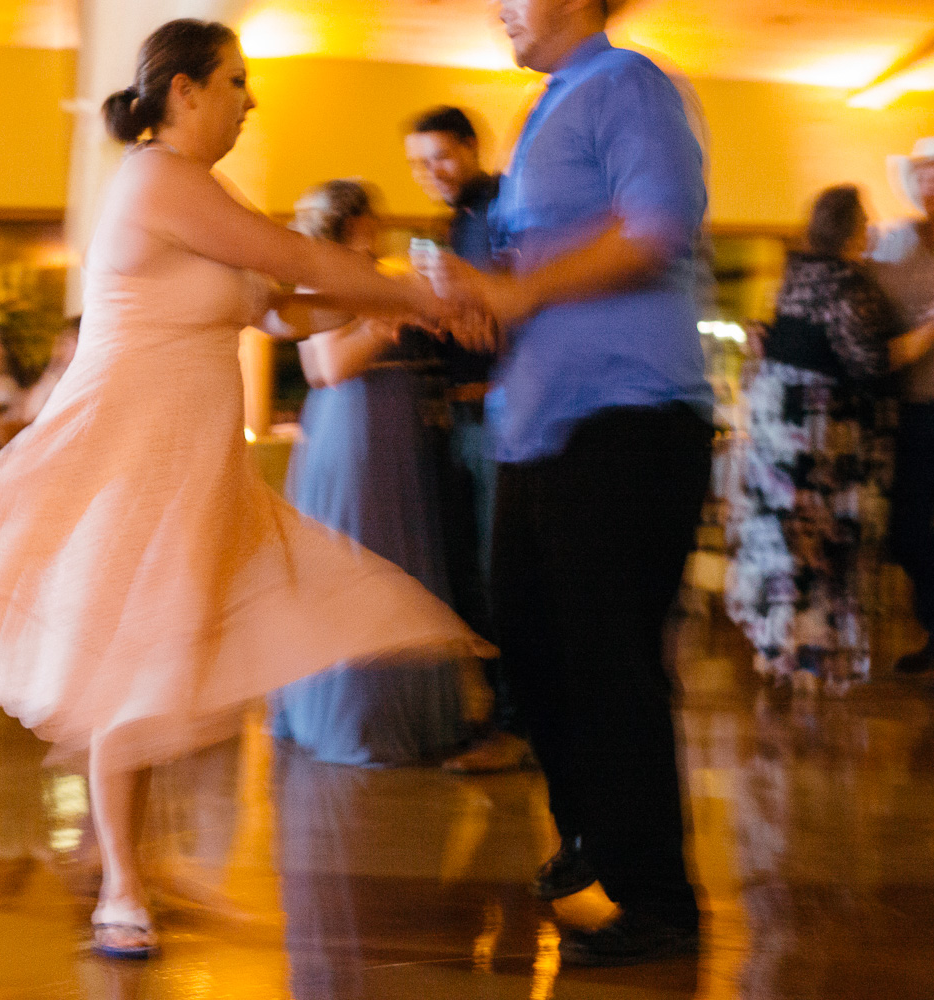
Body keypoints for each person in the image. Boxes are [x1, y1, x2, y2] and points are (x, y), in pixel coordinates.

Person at [0, 18, 490, 962]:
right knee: (128, 660)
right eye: (236, 82)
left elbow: (286, 308)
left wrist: (399, 295)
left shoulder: (207, 193)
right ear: (184, 92)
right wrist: (421, 295)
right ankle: (123, 884)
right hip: (128, 461)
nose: (250, 101)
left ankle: (124, 860)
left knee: (162, 657)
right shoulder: (154, 178)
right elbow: (295, 263)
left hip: (192, 467)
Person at [433, 0, 714, 966]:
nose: (496, 8)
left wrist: (519, 288)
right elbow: (539, 261)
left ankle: (656, 899)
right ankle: (591, 838)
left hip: (627, 416)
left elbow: (655, 231)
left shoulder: (626, 84)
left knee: (607, 662)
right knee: (533, 650)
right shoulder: (542, 107)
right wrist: (488, 304)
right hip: (534, 427)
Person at [270, 180, 470, 767]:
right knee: (362, 556)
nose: (379, 228)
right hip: (355, 426)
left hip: (392, 426)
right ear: (350, 223)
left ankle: (405, 708)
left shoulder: (370, 272)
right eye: (370, 219)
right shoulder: (326, 277)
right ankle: (361, 715)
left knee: (400, 560)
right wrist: (389, 317)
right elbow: (328, 365)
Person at [726, 186, 905, 694]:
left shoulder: (795, 274)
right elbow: (871, 363)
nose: (870, 231)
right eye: (865, 223)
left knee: (782, 536)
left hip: (775, 425)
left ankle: (778, 647)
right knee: (823, 541)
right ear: (851, 230)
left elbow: (782, 338)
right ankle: (814, 654)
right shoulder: (848, 284)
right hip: (817, 431)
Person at [405, 105, 532, 774]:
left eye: (440, 158)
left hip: (496, 413)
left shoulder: (498, 208)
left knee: (495, 574)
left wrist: (476, 312)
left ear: (470, 150)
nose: (429, 173)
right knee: (465, 576)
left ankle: (516, 724)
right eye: (416, 164)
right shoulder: (454, 222)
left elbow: (505, 305)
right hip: (459, 416)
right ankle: (498, 713)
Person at [869, 137, 934, 675]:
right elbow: (865, 307)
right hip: (914, 408)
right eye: (922, 173)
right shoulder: (896, 244)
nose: (928, 182)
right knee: (907, 530)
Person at [14, 317, 81, 426]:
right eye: (60, 343)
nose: (59, 351)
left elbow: (31, 417)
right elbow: (28, 415)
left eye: (66, 343)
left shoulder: (82, 383)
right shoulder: (56, 378)